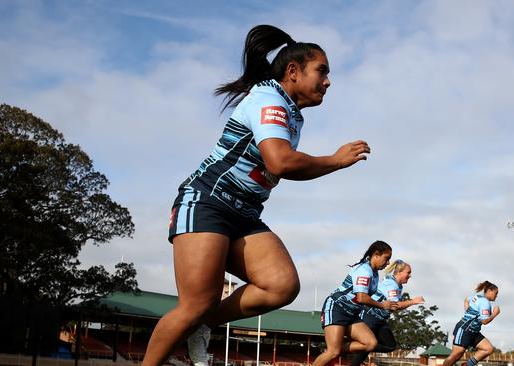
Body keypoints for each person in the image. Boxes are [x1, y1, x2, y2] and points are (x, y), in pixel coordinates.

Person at [142, 24, 371, 366]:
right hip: (207, 201)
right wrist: (335, 160)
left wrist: (329, 163)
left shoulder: (293, 115)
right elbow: (280, 162)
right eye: (322, 71)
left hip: (244, 213)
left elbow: (284, 165)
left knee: (281, 285)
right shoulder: (268, 99)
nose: (328, 81)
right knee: (196, 303)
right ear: (293, 72)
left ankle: (204, 325)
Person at [311, 241, 399, 366]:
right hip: (337, 308)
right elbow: (362, 298)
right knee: (332, 352)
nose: (388, 263)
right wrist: (382, 305)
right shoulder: (364, 270)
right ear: (376, 254)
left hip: (352, 313)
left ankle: (336, 349)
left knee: (370, 343)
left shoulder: (374, 273)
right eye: (386, 258)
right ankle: (334, 350)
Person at [349, 259, 425, 366]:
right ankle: (347, 346)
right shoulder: (391, 284)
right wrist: (413, 301)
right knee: (366, 348)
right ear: (399, 272)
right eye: (408, 273)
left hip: (379, 320)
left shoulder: (397, 285)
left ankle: (362, 346)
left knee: (389, 345)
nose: (410, 275)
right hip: (369, 317)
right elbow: (395, 306)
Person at [442, 281, 501, 366]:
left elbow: (466, 300)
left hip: (473, 332)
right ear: (490, 291)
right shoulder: (485, 303)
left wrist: (467, 313)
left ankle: (467, 365)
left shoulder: (477, 297)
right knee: (456, 355)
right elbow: (484, 321)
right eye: (496, 293)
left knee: (488, 348)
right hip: (464, 329)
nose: (497, 295)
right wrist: (495, 313)